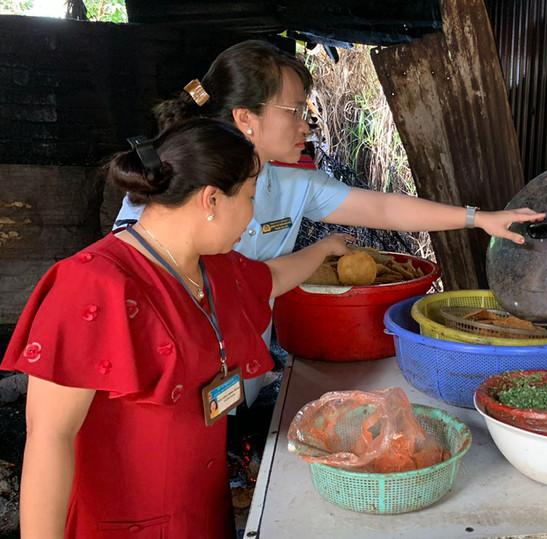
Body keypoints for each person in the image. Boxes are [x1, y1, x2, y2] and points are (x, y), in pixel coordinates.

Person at [115, 39, 545, 403]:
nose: (307, 123)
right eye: (294, 109)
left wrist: (479, 218)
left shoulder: (288, 183)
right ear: (246, 118)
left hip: (241, 373)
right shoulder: (169, 189)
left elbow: (383, 209)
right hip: (171, 383)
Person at [2, 118, 354, 538]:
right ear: (211, 200)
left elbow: (272, 278)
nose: (253, 211)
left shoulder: (214, 266)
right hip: (125, 526)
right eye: (249, 195)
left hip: (203, 514)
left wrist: (325, 249)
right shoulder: (93, 286)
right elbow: (49, 438)